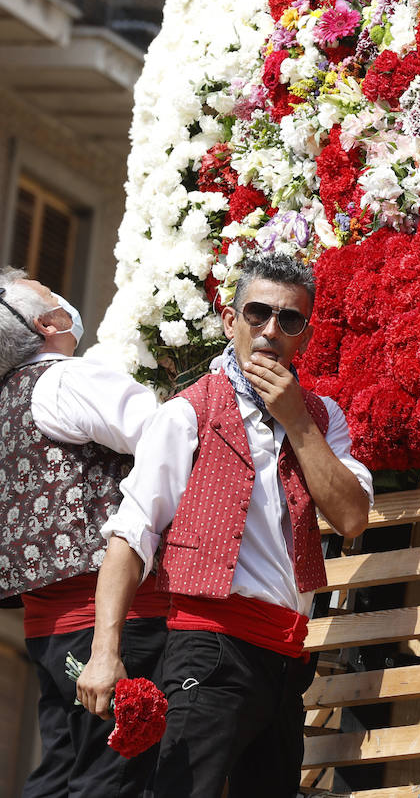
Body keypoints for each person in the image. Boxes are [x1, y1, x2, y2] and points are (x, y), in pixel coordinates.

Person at [78, 251, 372, 798]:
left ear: (305, 336)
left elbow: (352, 517)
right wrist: (104, 651)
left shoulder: (323, 418)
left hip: (286, 661)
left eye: (289, 320)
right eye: (257, 313)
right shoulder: (188, 412)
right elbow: (131, 534)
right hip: (210, 648)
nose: (270, 331)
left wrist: (296, 420)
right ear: (229, 319)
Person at [0, 267, 167, 798]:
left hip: (47, 629)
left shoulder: (7, 401)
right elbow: (166, 436)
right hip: (113, 622)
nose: (59, 292)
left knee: (62, 773)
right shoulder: (69, 379)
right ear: (48, 323)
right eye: (47, 290)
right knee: (112, 776)